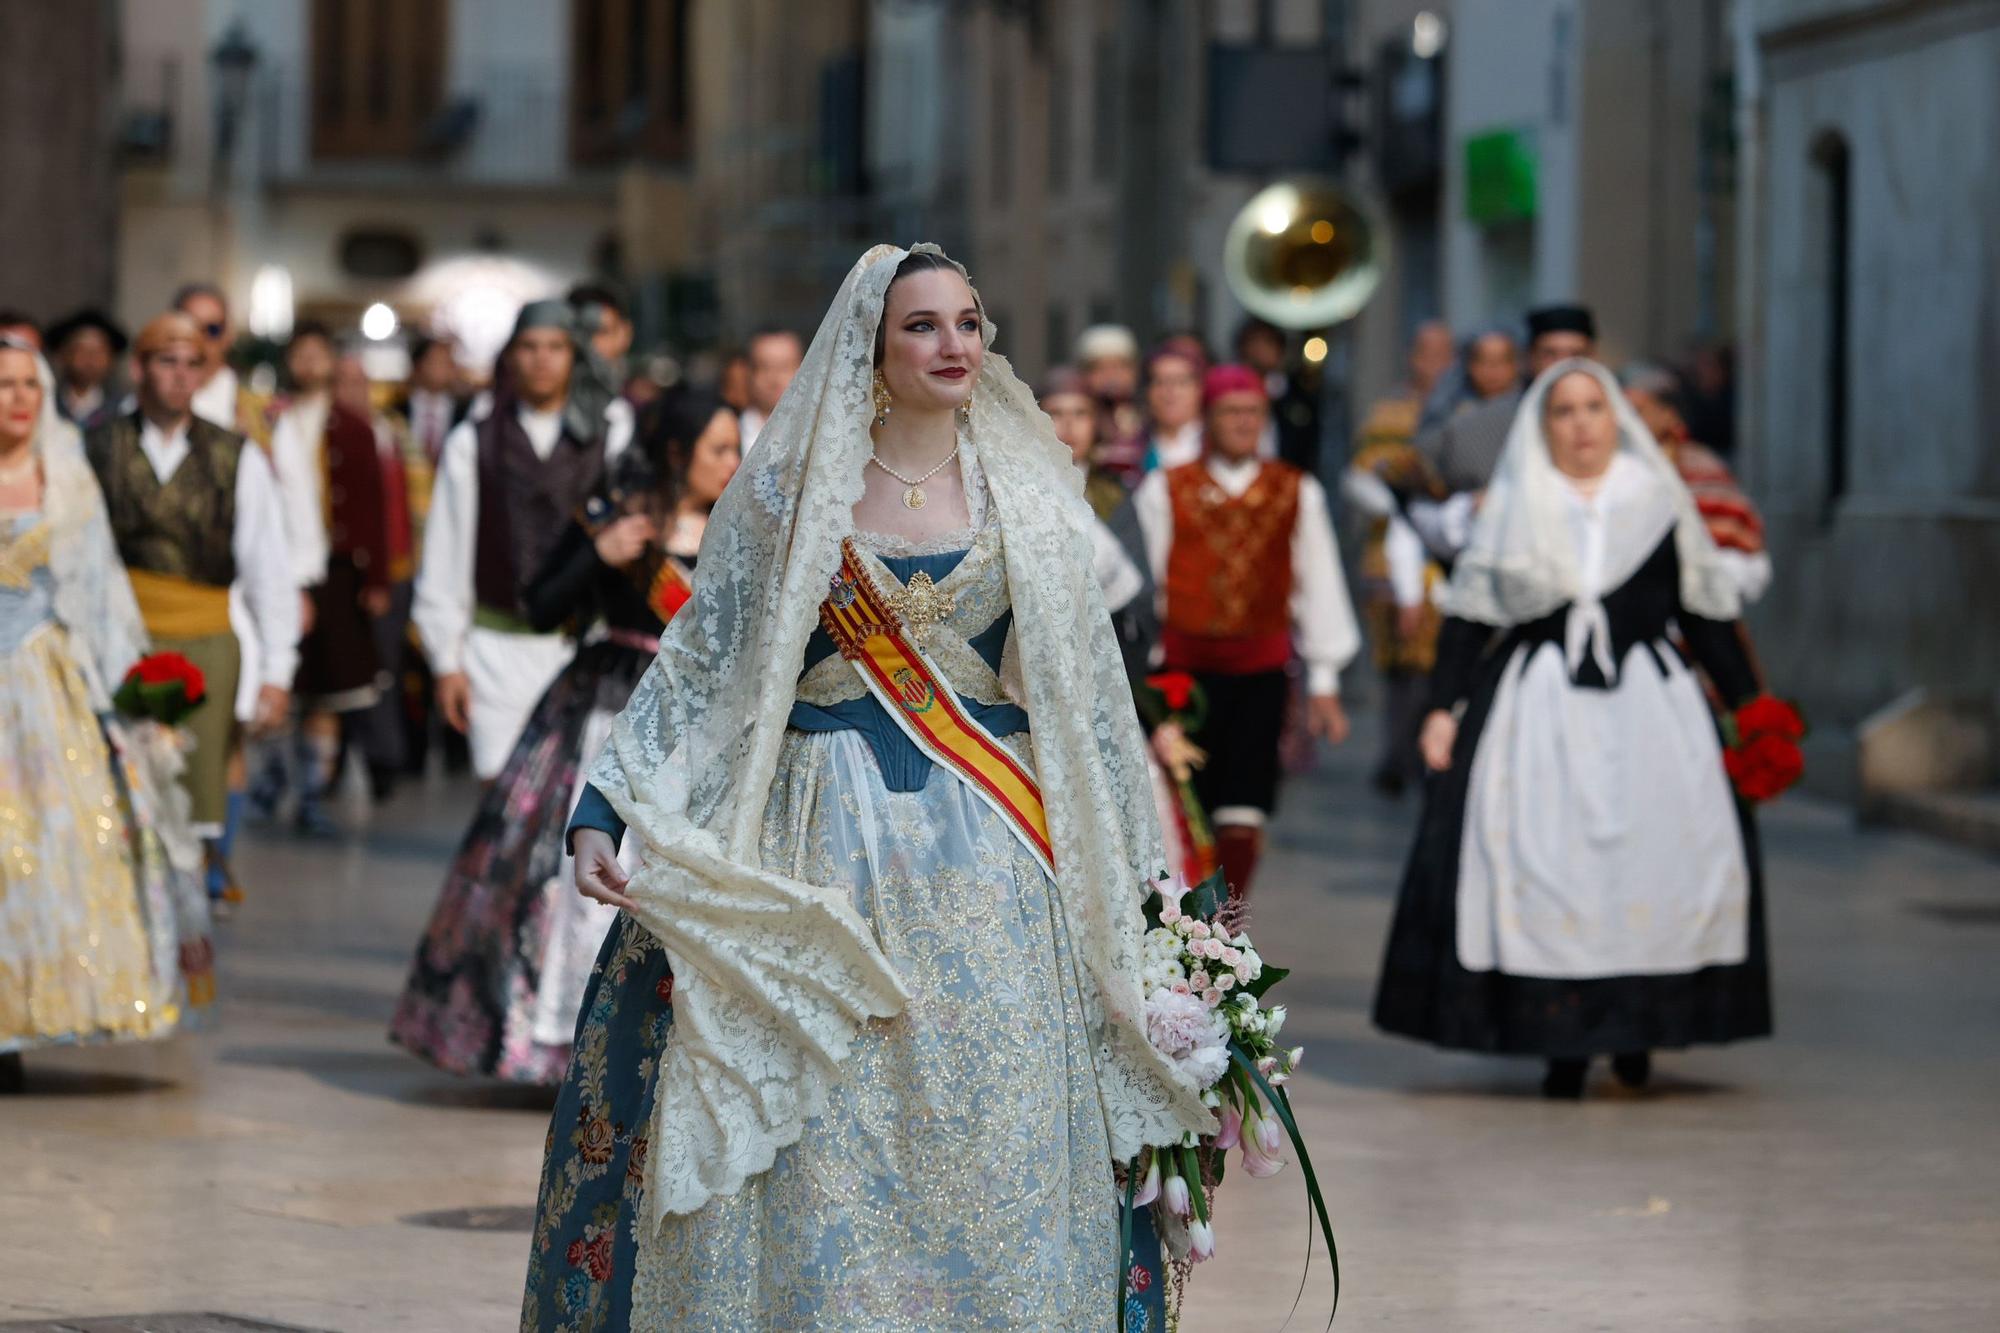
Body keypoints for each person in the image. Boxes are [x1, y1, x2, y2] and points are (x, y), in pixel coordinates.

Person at [521, 245, 1213, 1330]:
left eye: (968, 323)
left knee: (987, 1118)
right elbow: (704, 658)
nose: (952, 345)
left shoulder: (1026, 495)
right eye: (922, 326)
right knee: (822, 1128)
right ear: (870, 350)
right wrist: (604, 802)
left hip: (991, 857)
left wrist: (1146, 904)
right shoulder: (797, 492)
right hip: (813, 840)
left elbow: (1087, 702)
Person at [1373, 359, 1772, 1099]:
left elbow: (1705, 612)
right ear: (1542, 424)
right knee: (1544, 865)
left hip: (1652, 713)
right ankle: (1560, 1038)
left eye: (1594, 406)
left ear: (1616, 416)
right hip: (1538, 709)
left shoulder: (1657, 501)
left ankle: (1637, 1030)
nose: (1582, 423)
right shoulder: (1516, 506)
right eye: (1564, 410)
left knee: (1654, 865)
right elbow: (1470, 616)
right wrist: (1441, 707)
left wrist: (1754, 709)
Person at [393, 387, 738, 1083]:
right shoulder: (617, 519)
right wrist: (599, 553)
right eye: (719, 449)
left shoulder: (741, 531)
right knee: (567, 879)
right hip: (603, 709)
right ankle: (552, 1040)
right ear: (676, 453)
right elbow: (543, 602)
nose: (735, 462)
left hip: (698, 730)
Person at [0, 338, 213, 1092]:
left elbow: (104, 596)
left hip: (47, 686)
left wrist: (141, 700)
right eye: (4, 385)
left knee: (47, 848)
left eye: (30, 384)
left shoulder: (67, 479)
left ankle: (27, 1014)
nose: (19, 398)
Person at [1130, 364, 1361, 906]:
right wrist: (1149, 668)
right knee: (1189, 805)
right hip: (1185, 676)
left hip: (1261, 673)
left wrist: (1325, 681)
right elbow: (1146, 585)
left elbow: (1319, 581)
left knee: (1246, 806)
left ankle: (1225, 931)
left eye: (1252, 413)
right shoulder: (1166, 489)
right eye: (1231, 413)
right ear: (1209, 418)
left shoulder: (1295, 490)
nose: (1242, 424)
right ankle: (1182, 924)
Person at [84, 313, 297, 897]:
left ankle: (185, 929)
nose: (179, 376)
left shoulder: (235, 456)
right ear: (140, 368)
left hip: (204, 642)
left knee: (191, 802)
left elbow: (267, 570)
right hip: (116, 641)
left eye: (191, 364)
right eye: (165, 361)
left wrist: (277, 673)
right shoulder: (96, 448)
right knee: (114, 795)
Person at [412, 300, 626, 782]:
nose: (543, 359)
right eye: (530, 346)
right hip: (494, 647)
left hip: (584, 644)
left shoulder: (611, 437)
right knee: (500, 798)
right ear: (511, 355)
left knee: (576, 805)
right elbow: (446, 555)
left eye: (556, 346)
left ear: (575, 354)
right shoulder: (474, 441)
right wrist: (446, 661)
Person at [268, 332, 392, 832]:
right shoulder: (271, 418)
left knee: (331, 691)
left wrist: (378, 575)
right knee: (281, 686)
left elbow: (374, 506)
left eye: (317, 353)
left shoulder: (356, 429)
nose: (309, 362)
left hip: (338, 568)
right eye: (301, 353)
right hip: (280, 564)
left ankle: (313, 793)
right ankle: (273, 780)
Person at [1346, 321, 1458, 795]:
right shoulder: (1387, 411)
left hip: (1450, 560)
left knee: (1444, 664)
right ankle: (1396, 758)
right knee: (1399, 667)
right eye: (1424, 352)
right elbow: (1358, 477)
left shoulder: (1465, 410)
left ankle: (1433, 757)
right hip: (1387, 559)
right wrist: (1403, 500)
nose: (1433, 363)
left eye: (1443, 353)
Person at [1620, 362, 1770, 603]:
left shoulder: (1701, 468)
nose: (1624, 421)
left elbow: (1740, 564)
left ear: (1668, 414)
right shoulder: (1608, 468)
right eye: (1619, 411)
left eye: (1636, 411)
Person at [1418, 305, 1594, 496]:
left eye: (1576, 355)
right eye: (1550, 355)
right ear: (1530, 359)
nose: (1563, 366)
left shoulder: (1615, 420)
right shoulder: (1473, 427)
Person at [172, 283, 271, 446]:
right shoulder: (140, 409)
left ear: (228, 334)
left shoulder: (266, 414)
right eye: (190, 327)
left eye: (212, 329)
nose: (200, 339)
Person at [1039, 363, 1130, 521]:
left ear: (1095, 423)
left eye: (1080, 413)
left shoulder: (1116, 494)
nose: (1069, 424)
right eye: (1056, 413)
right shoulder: (1020, 491)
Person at [1235, 316, 1318, 468]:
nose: (1259, 350)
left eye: (1268, 343)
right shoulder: (1230, 392)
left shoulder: (1297, 396)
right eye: (1254, 342)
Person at [46, 308, 129, 432]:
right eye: (81, 349)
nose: (90, 358)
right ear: (62, 355)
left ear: (111, 360)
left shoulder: (125, 409)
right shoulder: (47, 404)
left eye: (99, 351)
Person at [1133, 343, 1207, 475]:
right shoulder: (1132, 450)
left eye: (1180, 382)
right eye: (1159, 382)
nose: (1170, 392)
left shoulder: (1216, 447)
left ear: (1199, 389)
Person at [1076, 321, 1144, 461]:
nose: (1111, 376)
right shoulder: (1077, 423)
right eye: (1100, 368)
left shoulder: (1149, 417)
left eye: (1119, 366)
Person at [738, 326, 803, 450]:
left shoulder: (821, 433)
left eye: (784, 367)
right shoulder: (731, 434)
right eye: (765, 368)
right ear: (749, 373)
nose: (774, 379)